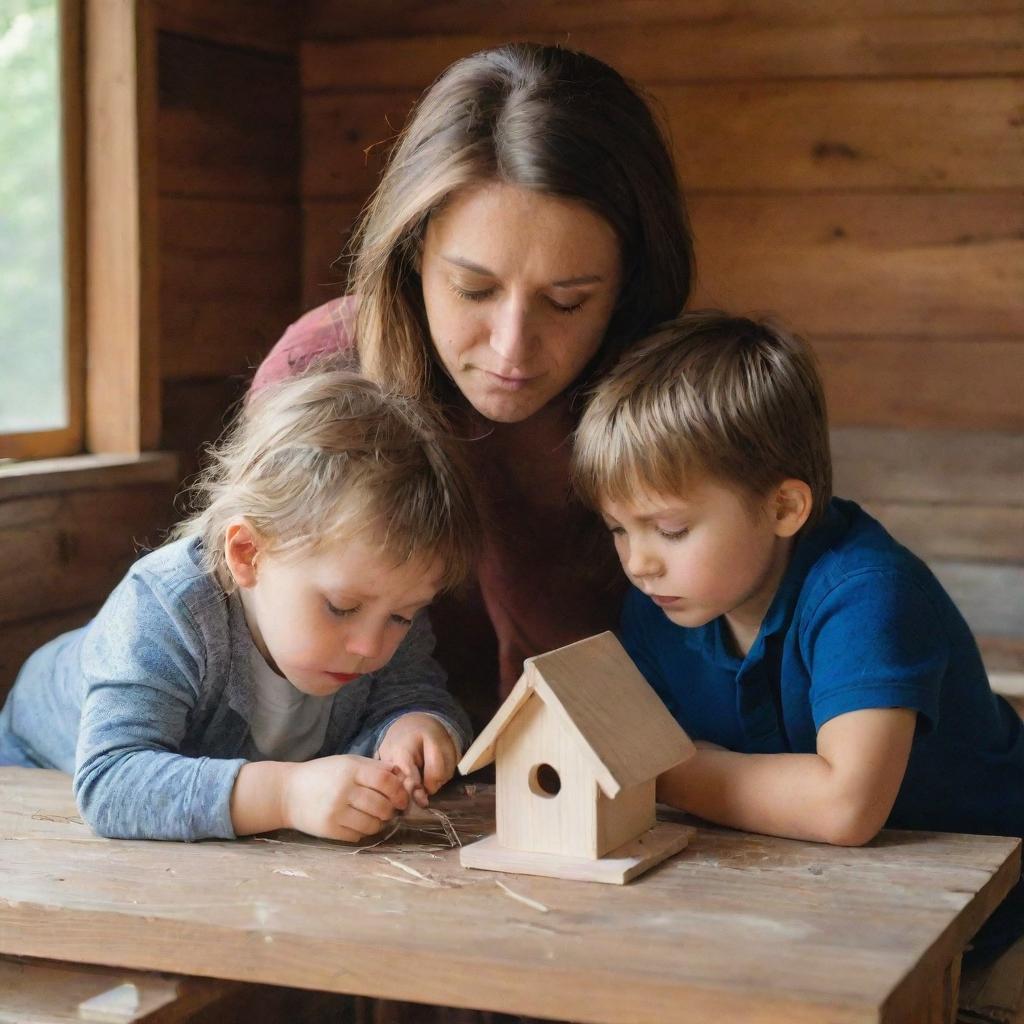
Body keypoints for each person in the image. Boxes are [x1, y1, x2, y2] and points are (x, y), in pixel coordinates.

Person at [254, 43, 694, 725]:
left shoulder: (672, 405)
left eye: (568, 301)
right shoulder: (318, 371)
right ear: (411, 253)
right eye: (473, 288)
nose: (511, 348)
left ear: (629, 287)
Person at [572, 311, 1024, 956]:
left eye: (670, 530)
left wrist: (658, 771)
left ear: (784, 507)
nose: (638, 561)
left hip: (990, 920)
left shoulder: (866, 594)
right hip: (825, 897)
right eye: (618, 529)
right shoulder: (661, 601)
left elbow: (845, 808)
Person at [0, 368, 479, 843]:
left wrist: (418, 725)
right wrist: (287, 795)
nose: (370, 646)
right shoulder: (166, 609)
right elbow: (111, 782)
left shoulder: (385, 590)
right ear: (248, 554)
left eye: (401, 616)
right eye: (340, 607)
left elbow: (412, 691)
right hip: (31, 770)